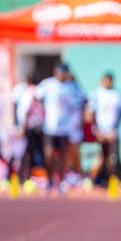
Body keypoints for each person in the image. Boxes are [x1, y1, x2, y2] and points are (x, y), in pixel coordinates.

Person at [34, 63, 85, 194]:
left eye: (64, 73)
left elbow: (83, 99)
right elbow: (37, 96)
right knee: (48, 154)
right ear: (55, 72)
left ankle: (61, 181)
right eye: (59, 72)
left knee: (63, 155)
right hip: (50, 127)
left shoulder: (71, 87)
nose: (61, 76)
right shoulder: (48, 85)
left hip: (65, 128)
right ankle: (50, 179)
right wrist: (42, 113)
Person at [87, 72, 121, 183]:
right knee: (102, 156)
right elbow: (90, 114)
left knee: (114, 157)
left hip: (113, 131)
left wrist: (114, 129)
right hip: (100, 131)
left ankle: (111, 179)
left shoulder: (118, 95)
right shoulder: (96, 94)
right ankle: (94, 179)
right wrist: (97, 130)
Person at [14, 72, 45, 184]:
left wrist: (22, 128)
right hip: (39, 126)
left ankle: (25, 177)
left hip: (30, 127)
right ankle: (32, 176)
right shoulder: (41, 92)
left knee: (27, 152)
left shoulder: (29, 93)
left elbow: (26, 112)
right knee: (34, 152)